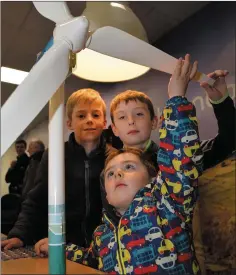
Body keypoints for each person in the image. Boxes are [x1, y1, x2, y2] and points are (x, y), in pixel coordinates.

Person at [36, 55, 204, 274]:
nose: (117, 175)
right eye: (110, 173)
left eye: (129, 168)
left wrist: (176, 98)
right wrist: (58, 249)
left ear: (154, 179)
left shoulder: (168, 206)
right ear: (105, 193)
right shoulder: (103, 235)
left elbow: (180, 161)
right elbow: (92, 259)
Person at [1, 89, 114, 250]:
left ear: (104, 122)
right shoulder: (55, 154)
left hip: (104, 246)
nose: (89, 120)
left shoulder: (116, 157)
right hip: (63, 245)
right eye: (81, 116)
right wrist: (20, 234)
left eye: (95, 115)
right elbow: (36, 199)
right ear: (69, 123)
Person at [110, 70, 235, 171]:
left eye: (139, 114)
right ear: (114, 129)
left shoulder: (181, 155)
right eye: (122, 117)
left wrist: (221, 102)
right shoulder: (110, 169)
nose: (131, 121)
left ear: (154, 121)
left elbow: (228, 141)